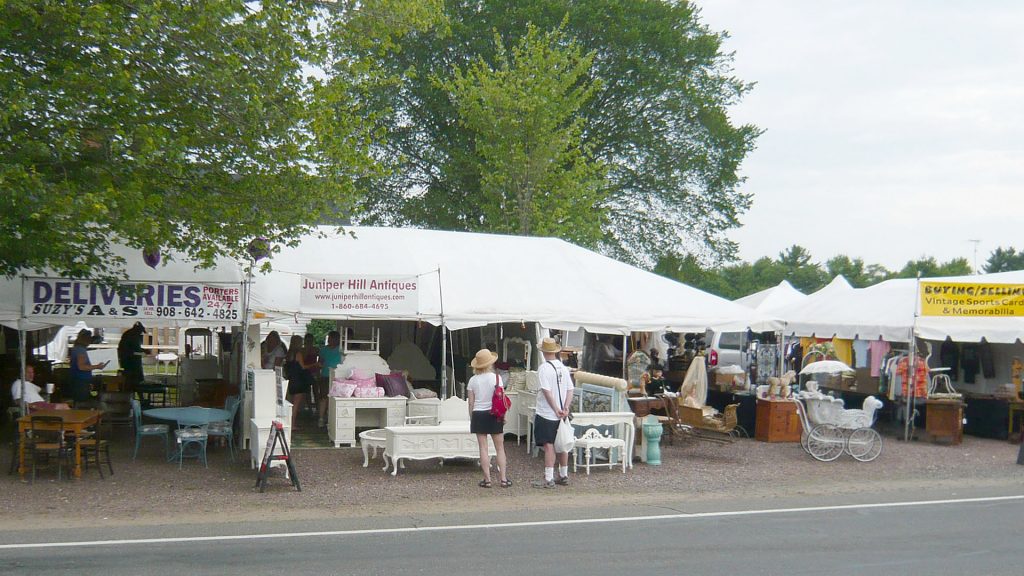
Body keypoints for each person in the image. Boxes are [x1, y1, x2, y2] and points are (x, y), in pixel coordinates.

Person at [532, 337, 574, 489]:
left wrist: (555, 408)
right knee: (563, 443)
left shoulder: (544, 368)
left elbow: (546, 391)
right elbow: (570, 389)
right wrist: (565, 407)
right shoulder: (563, 367)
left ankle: (549, 477)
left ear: (543, 351)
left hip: (547, 412)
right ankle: (563, 474)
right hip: (563, 412)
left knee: (548, 444)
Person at [466, 348, 510, 488]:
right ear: (490, 363)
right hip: (495, 414)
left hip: (479, 414)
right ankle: (503, 479)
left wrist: (472, 417)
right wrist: (504, 415)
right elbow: (501, 398)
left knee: (483, 448)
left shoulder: (472, 380)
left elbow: (471, 402)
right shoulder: (497, 378)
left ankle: (487, 480)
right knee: (500, 448)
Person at [68, 329, 107, 404]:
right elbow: (81, 367)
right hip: (81, 380)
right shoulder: (81, 350)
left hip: (76, 379)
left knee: (78, 401)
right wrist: (97, 366)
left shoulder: (76, 348)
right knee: (82, 402)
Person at [284, 334, 315, 425]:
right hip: (298, 380)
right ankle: (292, 424)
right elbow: (303, 367)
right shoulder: (298, 353)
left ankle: (289, 422)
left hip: (291, 379)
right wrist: (315, 364)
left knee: (290, 403)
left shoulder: (289, 353)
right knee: (296, 404)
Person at [317, 330, 343, 428]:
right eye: (330, 338)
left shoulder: (341, 349)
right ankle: (321, 418)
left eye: (334, 338)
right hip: (325, 375)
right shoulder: (323, 349)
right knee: (324, 397)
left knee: (335, 398)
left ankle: (333, 418)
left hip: (338, 377)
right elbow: (320, 362)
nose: (331, 340)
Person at [118, 322, 147, 401]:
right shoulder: (130, 336)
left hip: (133, 363)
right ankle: (135, 400)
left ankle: (136, 399)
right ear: (137, 329)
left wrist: (143, 351)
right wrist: (140, 352)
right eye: (140, 331)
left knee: (135, 382)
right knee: (133, 383)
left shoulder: (131, 335)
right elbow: (126, 351)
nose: (141, 333)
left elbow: (135, 349)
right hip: (130, 365)